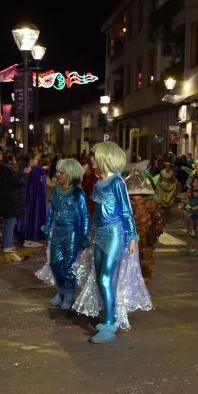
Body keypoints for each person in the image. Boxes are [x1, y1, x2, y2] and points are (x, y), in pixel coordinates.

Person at [72, 142, 151, 344]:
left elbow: (126, 211)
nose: (92, 161)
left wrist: (132, 236)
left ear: (105, 159)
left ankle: (110, 322)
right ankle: (109, 315)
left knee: (106, 278)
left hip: (115, 234)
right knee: (99, 278)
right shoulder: (99, 182)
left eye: (95, 157)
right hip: (99, 234)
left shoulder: (117, 182)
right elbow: (96, 212)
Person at [39, 159, 90, 309]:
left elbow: (85, 215)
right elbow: (52, 210)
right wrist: (48, 226)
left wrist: (85, 235)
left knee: (68, 265)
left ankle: (69, 295)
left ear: (70, 174)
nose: (58, 174)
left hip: (73, 231)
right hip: (58, 231)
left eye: (61, 172)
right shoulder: (56, 190)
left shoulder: (78, 193)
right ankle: (61, 291)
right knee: (54, 263)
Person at [125, 170, 165, 281]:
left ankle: (143, 287)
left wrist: (154, 234)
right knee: (130, 265)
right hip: (129, 240)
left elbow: (158, 221)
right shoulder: (126, 205)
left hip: (146, 240)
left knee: (146, 265)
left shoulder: (151, 204)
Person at [0, 152, 31, 252]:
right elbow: (19, 182)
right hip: (11, 200)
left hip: (7, 199)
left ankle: (6, 243)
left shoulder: (3, 169)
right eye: (14, 160)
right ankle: (7, 245)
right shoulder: (8, 170)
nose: (16, 162)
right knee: (11, 222)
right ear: (10, 160)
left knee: (8, 221)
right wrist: (25, 174)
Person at [17, 152, 47, 247]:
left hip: (35, 199)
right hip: (29, 200)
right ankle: (27, 239)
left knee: (34, 217)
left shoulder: (34, 168)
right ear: (31, 160)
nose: (37, 161)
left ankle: (31, 237)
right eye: (36, 159)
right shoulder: (26, 169)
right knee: (29, 218)